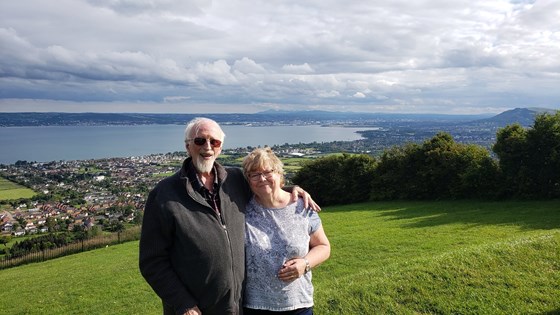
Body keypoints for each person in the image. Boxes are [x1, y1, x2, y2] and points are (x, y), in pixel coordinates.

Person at [139, 117, 319, 315]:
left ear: (220, 147)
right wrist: (183, 304)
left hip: (238, 306)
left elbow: (265, 186)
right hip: (195, 310)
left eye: (214, 141)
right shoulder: (164, 194)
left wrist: (293, 190)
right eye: (200, 141)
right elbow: (152, 261)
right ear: (188, 146)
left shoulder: (234, 180)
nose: (207, 147)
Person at [242, 147, 331, 315]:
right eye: (254, 174)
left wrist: (305, 264)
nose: (262, 179)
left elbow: (323, 246)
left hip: (298, 305)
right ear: (248, 180)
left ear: (279, 174)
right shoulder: (241, 209)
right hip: (254, 306)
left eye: (268, 172)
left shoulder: (302, 206)